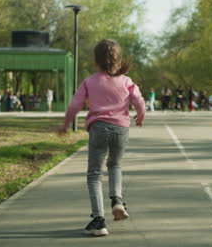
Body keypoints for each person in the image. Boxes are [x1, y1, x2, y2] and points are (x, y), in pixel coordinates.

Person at [58, 39, 146, 237]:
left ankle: (99, 221)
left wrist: (65, 125)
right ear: (118, 59)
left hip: (98, 129)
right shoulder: (126, 80)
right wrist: (141, 116)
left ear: (96, 61)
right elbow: (139, 100)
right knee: (115, 165)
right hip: (121, 129)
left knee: (94, 174)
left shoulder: (90, 81)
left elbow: (74, 105)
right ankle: (117, 201)